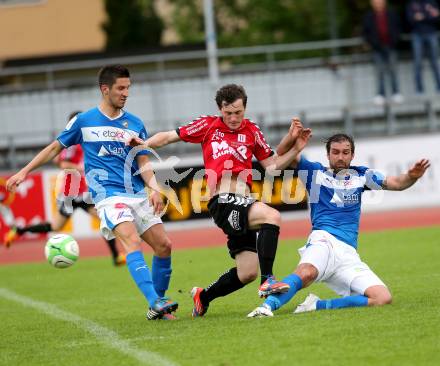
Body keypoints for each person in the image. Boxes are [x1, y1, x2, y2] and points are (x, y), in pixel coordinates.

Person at [6, 64, 178, 320]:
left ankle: (158, 304)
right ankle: (155, 300)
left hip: (137, 193)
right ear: (105, 89)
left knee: (164, 246)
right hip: (108, 195)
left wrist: (154, 189)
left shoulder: (135, 123)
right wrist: (24, 171)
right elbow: (54, 148)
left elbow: (143, 161)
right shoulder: (84, 121)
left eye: (128, 88)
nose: (125, 93)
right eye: (121, 88)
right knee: (131, 240)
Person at [127, 84, 312, 318]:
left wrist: (296, 147)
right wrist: (144, 144)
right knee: (272, 216)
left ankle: (203, 297)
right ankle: (269, 281)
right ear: (219, 109)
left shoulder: (252, 130)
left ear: (244, 108)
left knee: (246, 273)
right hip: (223, 201)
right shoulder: (208, 125)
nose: (233, 118)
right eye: (228, 113)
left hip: (244, 202)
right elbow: (169, 137)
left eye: (238, 113)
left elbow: (272, 166)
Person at [248, 132, 430, 317]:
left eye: (345, 152)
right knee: (306, 273)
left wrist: (412, 176)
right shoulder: (314, 171)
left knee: (382, 298)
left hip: (348, 254)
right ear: (328, 155)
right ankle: (266, 307)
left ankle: (315, 306)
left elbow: (397, 183)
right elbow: (280, 153)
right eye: (335, 152)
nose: (341, 157)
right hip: (323, 241)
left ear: (352, 155)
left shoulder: (362, 175)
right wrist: (292, 136)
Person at [4, 111, 125, 266]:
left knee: (105, 220)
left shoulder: (84, 141)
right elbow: (62, 163)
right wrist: (80, 167)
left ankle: (116, 256)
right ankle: (18, 231)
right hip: (70, 193)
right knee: (56, 227)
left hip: (83, 192)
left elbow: (59, 159)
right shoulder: (73, 142)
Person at [362, 0, 403, 105]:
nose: (378, 3)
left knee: (393, 70)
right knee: (379, 71)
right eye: (376, 1)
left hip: (391, 46)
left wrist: (394, 40)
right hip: (377, 48)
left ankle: (396, 93)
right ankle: (381, 94)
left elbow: (398, 28)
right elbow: (366, 32)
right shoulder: (369, 16)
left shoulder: (391, 14)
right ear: (372, 3)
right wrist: (373, 43)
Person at [407, 0, 440, 94]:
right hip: (417, 35)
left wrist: (422, 17)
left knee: (434, 62)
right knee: (418, 63)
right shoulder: (412, 3)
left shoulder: (432, 2)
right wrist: (427, 16)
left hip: (431, 33)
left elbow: (436, 17)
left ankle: (438, 86)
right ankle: (419, 89)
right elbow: (410, 19)